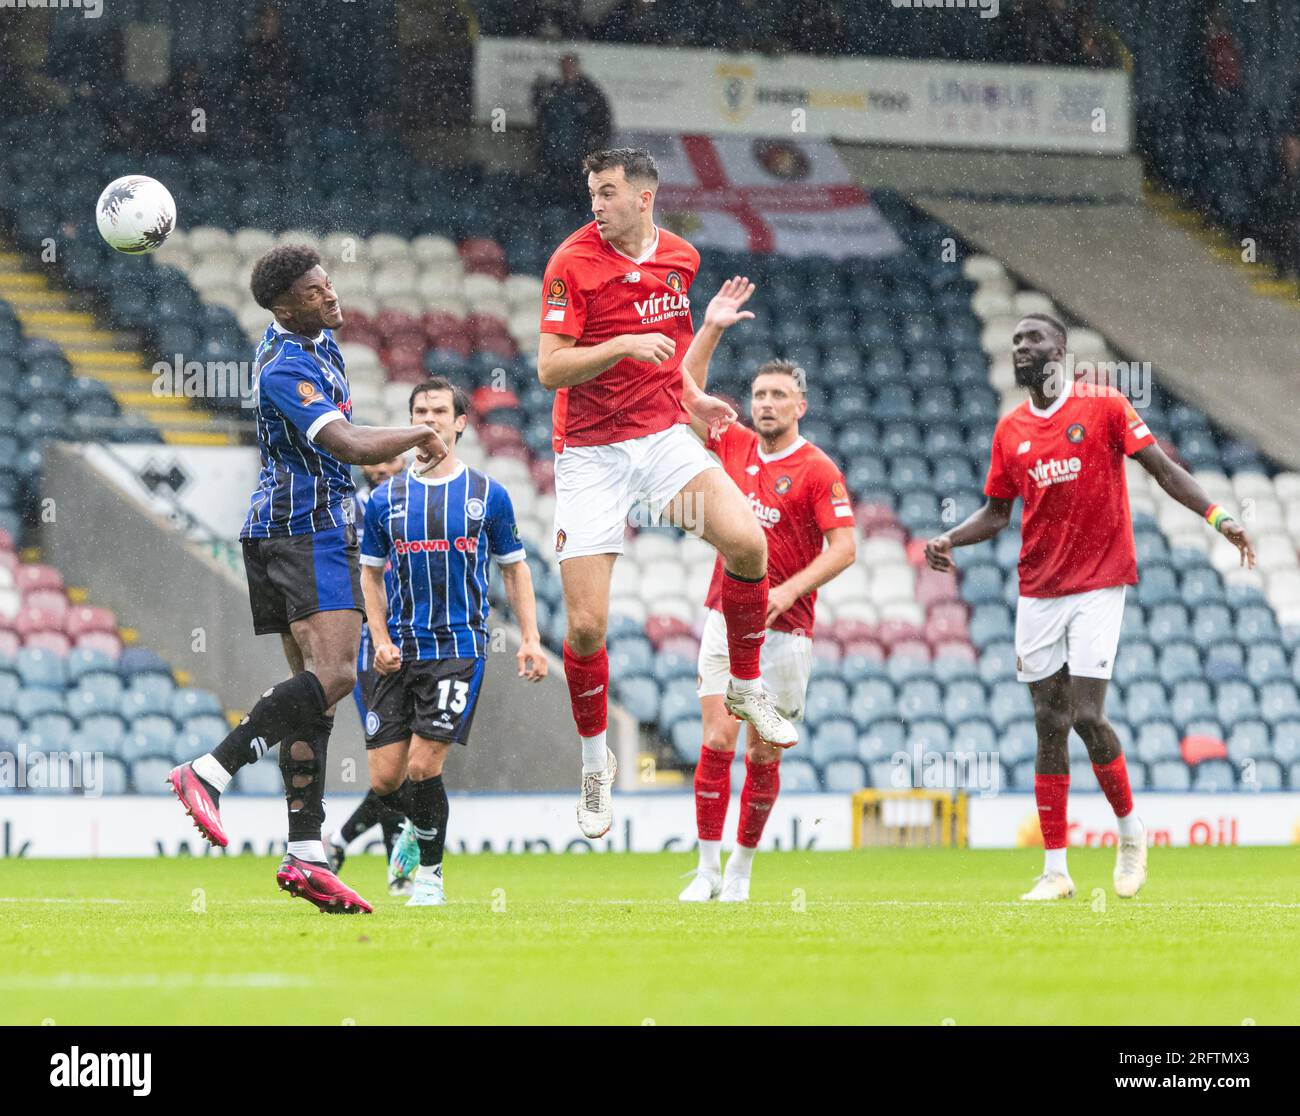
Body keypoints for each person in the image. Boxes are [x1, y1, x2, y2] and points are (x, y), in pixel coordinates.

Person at [924, 314, 1255, 902]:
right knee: (1047, 725)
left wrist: (1218, 517)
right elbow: (998, 513)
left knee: (1084, 715)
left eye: (1034, 338)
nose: (1022, 346)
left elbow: (1162, 471)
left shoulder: (1103, 406)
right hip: (1038, 590)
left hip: (1100, 582)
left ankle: (1131, 833)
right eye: (1017, 340)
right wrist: (952, 537)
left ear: (1061, 349)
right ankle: (1056, 870)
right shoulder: (1011, 431)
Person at [168, 245, 448, 915]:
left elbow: (344, 442)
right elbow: (346, 444)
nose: (330, 296)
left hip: (285, 528)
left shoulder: (318, 343)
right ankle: (210, 769)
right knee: (339, 676)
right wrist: (419, 434)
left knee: (313, 702)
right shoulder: (286, 364)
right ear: (284, 304)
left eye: (329, 285)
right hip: (309, 530)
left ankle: (306, 855)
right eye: (316, 292)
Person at [537, 147, 798, 842]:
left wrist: (694, 398)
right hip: (590, 455)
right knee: (587, 627)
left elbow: (672, 352)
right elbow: (548, 368)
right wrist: (622, 344)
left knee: (748, 544)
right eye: (592, 191)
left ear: (645, 199)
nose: (596, 203)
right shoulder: (571, 263)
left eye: (609, 192)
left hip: (658, 442)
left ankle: (745, 684)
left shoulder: (680, 257)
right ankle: (596, 765)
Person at [675, 280, 858, 902]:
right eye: (759, 395)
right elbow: (685, 394)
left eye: (779, 395)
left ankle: (741, 872)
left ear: (800, 406)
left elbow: (846, 548)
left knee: (763, 756)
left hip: (787, 632)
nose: (766, 404)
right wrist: (713, 328)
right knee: (716, 739)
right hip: (724, 618)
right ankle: (703, 871)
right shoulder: (731, 443)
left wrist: (788, 591)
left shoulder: (818, 469)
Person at [360, 378, 548, 907]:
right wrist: (377, 637)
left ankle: (430, 877)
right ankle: (415, 837)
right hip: (398, 649)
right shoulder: (385, 498)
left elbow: (515, 571)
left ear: (460, 422)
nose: (430, 419)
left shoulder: (488, 495)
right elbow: (370, 577)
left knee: (423, 767)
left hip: (458, 648)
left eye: (440, 411)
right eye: (420, 410)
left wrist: (530, 639)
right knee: (384, 777)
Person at [326, 455, 411, 894]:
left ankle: (339, 842)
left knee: (412, 766)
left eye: (390, 458)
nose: (381, 466)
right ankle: (400, 869)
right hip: (371, 651)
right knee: (392, 765)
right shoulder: (353, 509)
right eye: (373, 458)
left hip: (422, 644)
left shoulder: (420, 504)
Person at [532, 55, 612, 203]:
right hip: (554, 154)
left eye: (570, 67)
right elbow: (541, 118)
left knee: (579, 196)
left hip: (579, 155)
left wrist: (593, 146)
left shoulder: (590, 93)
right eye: (564, 67)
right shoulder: (553, 91)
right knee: (554, 194)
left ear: (577, 68)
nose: (567, 71)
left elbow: (603, 123)